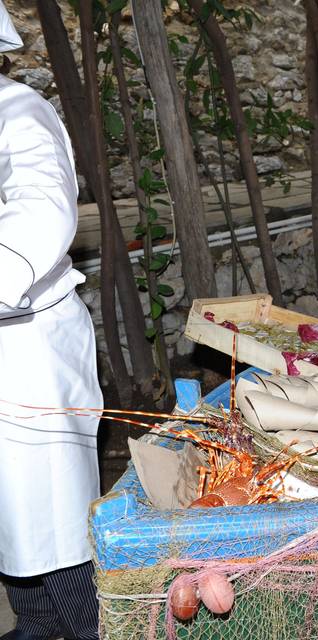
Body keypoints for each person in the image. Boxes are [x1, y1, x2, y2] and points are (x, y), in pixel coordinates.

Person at [0, 4, 102, 639]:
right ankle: (38, 624)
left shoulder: (18, 114)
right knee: (10, 517)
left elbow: (42, 214)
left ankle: (94, 627)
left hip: (27, 352)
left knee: (52, 517)